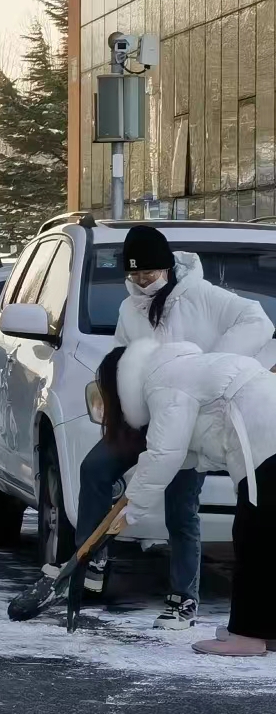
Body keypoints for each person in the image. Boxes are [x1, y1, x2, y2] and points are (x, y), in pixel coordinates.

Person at [74, 224, 273, 628]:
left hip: (193, 415)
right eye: (134, 275)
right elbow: (121, 360)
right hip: (147, 410)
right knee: (94, 467)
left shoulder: (202, 295)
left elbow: (257, 322)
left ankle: (183, 597)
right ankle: (89, 559)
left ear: (166, 267)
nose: (142, 281)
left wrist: (210, 363)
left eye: (148, 273)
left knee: (180, 507)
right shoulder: (129, 310)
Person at [97, 341, 276, 656]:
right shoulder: (178, 368)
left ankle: (248, 635)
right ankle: (265, 629)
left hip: (264, 435)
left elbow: (164, 454)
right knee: (266, 537)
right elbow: (188, 452)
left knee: (254, 538)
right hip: (265, 426)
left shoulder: (163, 384)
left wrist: (129, 511)